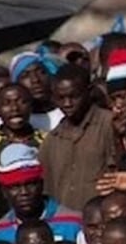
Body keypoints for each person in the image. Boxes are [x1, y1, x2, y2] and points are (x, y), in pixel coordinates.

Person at [39, 64, 118, 211]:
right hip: (66, 224)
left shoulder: (109, 125)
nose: (67, 104)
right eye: (61, 98)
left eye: (74, 96)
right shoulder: (52, 139)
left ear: (88, 92)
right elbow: (47, 189)